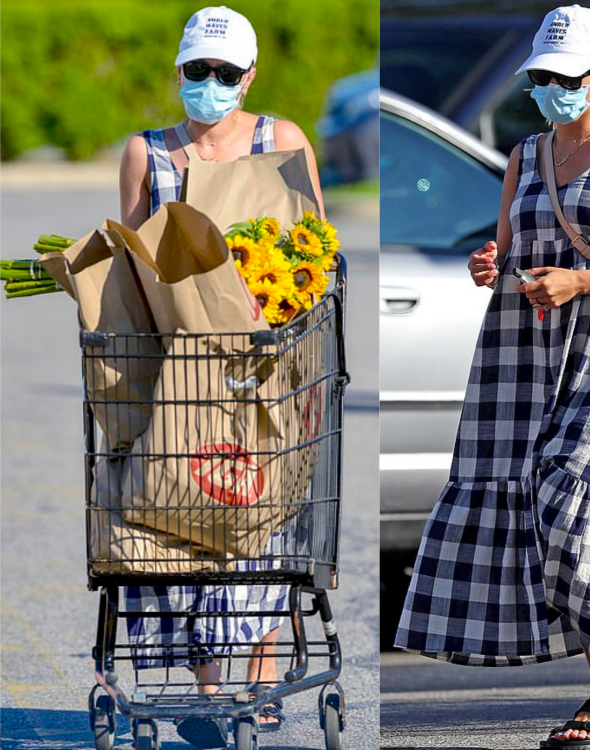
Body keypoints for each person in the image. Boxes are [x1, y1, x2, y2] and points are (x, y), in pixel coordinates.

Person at [394, 5, 590, 749]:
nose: (551, 89)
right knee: (532, 498)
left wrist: (585, 285)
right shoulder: (526, 156)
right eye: (540, 78)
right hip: (530, 352)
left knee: (573, 491)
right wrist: (489, 266)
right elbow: (509, 249)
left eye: (564, 78)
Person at [119, 6, 325, 748]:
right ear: (179, 71)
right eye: (196, 71)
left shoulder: (284, 142)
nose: (209, 85)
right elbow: (136, 274)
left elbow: (315, 252)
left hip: (268, 363)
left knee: (265, 518)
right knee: (191, 513)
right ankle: (209, 694)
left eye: (225, 73)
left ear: (250, 77)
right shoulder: (148, 154)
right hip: (186, 367)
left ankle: (261, 685)